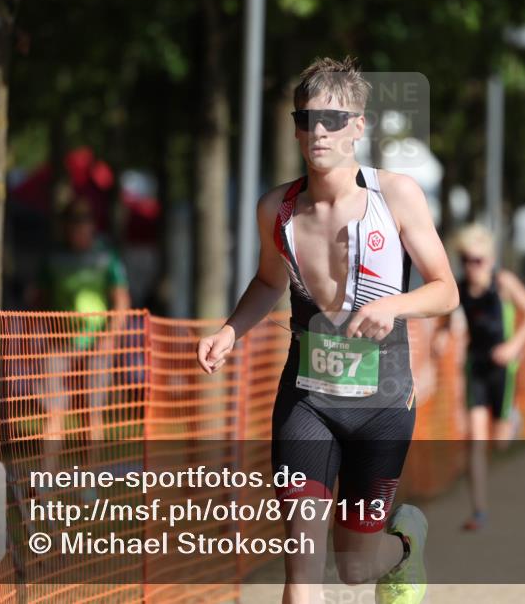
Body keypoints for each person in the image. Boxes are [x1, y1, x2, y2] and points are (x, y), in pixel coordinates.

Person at [196, 57, 458, 604]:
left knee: (356, 569)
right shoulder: (278, 208)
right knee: (302, 571)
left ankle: (403, 547)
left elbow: (445, 290)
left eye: (334, 120)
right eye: (307, 118)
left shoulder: (397, 196)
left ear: (358, 127)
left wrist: (396, 306)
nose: (318, 131)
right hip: (307, 400)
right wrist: (230, 330)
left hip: (383, 399)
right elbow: (269, 283)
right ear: (295, 125)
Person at [450, 224, 525, 531]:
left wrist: (514, 346)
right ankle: (479, 511)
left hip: (503, 367)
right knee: (475, 441)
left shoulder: (503, 283)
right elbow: (445, 321)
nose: (471, 267)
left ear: (489, 260)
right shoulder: (459, 288)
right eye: (465, 260)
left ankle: (511, 419)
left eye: (477, 260)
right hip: (475, 367)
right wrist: (440, 337)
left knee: (500, 443)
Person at [31, 197, 130, 450]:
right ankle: (46, 484)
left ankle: (90, 484)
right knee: (53, 411)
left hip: (96, 342)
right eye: (72, 221)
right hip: (60, 344)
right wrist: (40, 336)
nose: (78, 227)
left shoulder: (107, 256)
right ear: (65, 225)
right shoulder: (52, 257)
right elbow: (39, 300)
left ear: (92, 225)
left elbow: (121, 300)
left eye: (83, 221)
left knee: (90, 414)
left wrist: (109, 338)